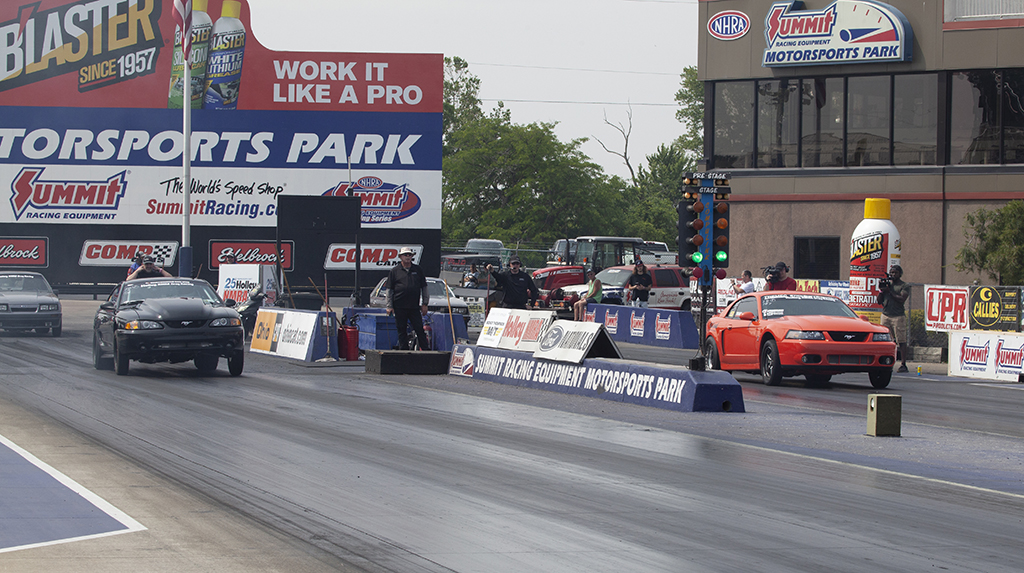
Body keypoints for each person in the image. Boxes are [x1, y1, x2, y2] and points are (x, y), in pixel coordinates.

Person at [386, 247, 430, 351]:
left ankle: (425, 350)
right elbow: (389, 290)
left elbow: (424, 288)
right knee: (401, 330)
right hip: (399, 306)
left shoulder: (418, 270)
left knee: (419, 328)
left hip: (414, 306)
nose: (408, 257)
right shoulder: (394, 271)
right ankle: (403, 351)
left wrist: (425, 303)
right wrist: (389, 306)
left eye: (409, 255)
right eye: (405, 255)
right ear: (400, 257)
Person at [878, 264, 911, 373]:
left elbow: (902, 299)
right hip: (886, 315)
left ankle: (903, 364)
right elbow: (879, 301)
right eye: (891, 272)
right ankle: (885, 361)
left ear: (900, 274)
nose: (893, 275)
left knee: (901, 340)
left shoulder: (903, 286)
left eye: (895, 273)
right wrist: (881, 290)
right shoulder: (888, 284)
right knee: (885, 339)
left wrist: (889, 292)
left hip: (898, 316)